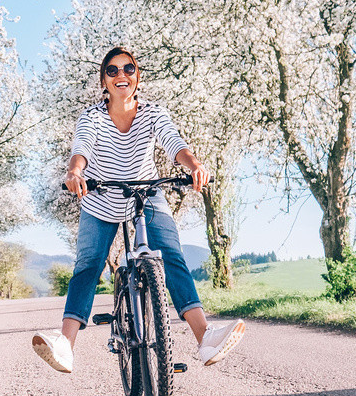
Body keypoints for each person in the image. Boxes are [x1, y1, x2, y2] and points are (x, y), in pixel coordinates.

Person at [32, 47, 245, 373]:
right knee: (88, 266)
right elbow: (82, 148)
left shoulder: (153, 113)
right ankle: (65, 345)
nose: (122, 75)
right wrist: (75, 172)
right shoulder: (91, 117)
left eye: (128, 69)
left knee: (170, 255)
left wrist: (194, 164)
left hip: (145, 195)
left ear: (137, 76)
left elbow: (174, 143)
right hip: (100, 197)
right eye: (113, 71)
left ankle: (206, 339)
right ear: (104, 80)